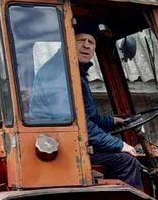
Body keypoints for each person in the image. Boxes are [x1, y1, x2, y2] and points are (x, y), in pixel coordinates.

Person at [29, 19, 142, 188]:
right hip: (63, 148)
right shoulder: (58, 73)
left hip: (69, 142)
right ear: (68, 41)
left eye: (91, 42)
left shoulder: (74, 71)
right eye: (81, 40)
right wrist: (119, 145)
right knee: (126, 161)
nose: (87, 46)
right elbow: (75, 121)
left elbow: (88, 116)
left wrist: (113, 121)